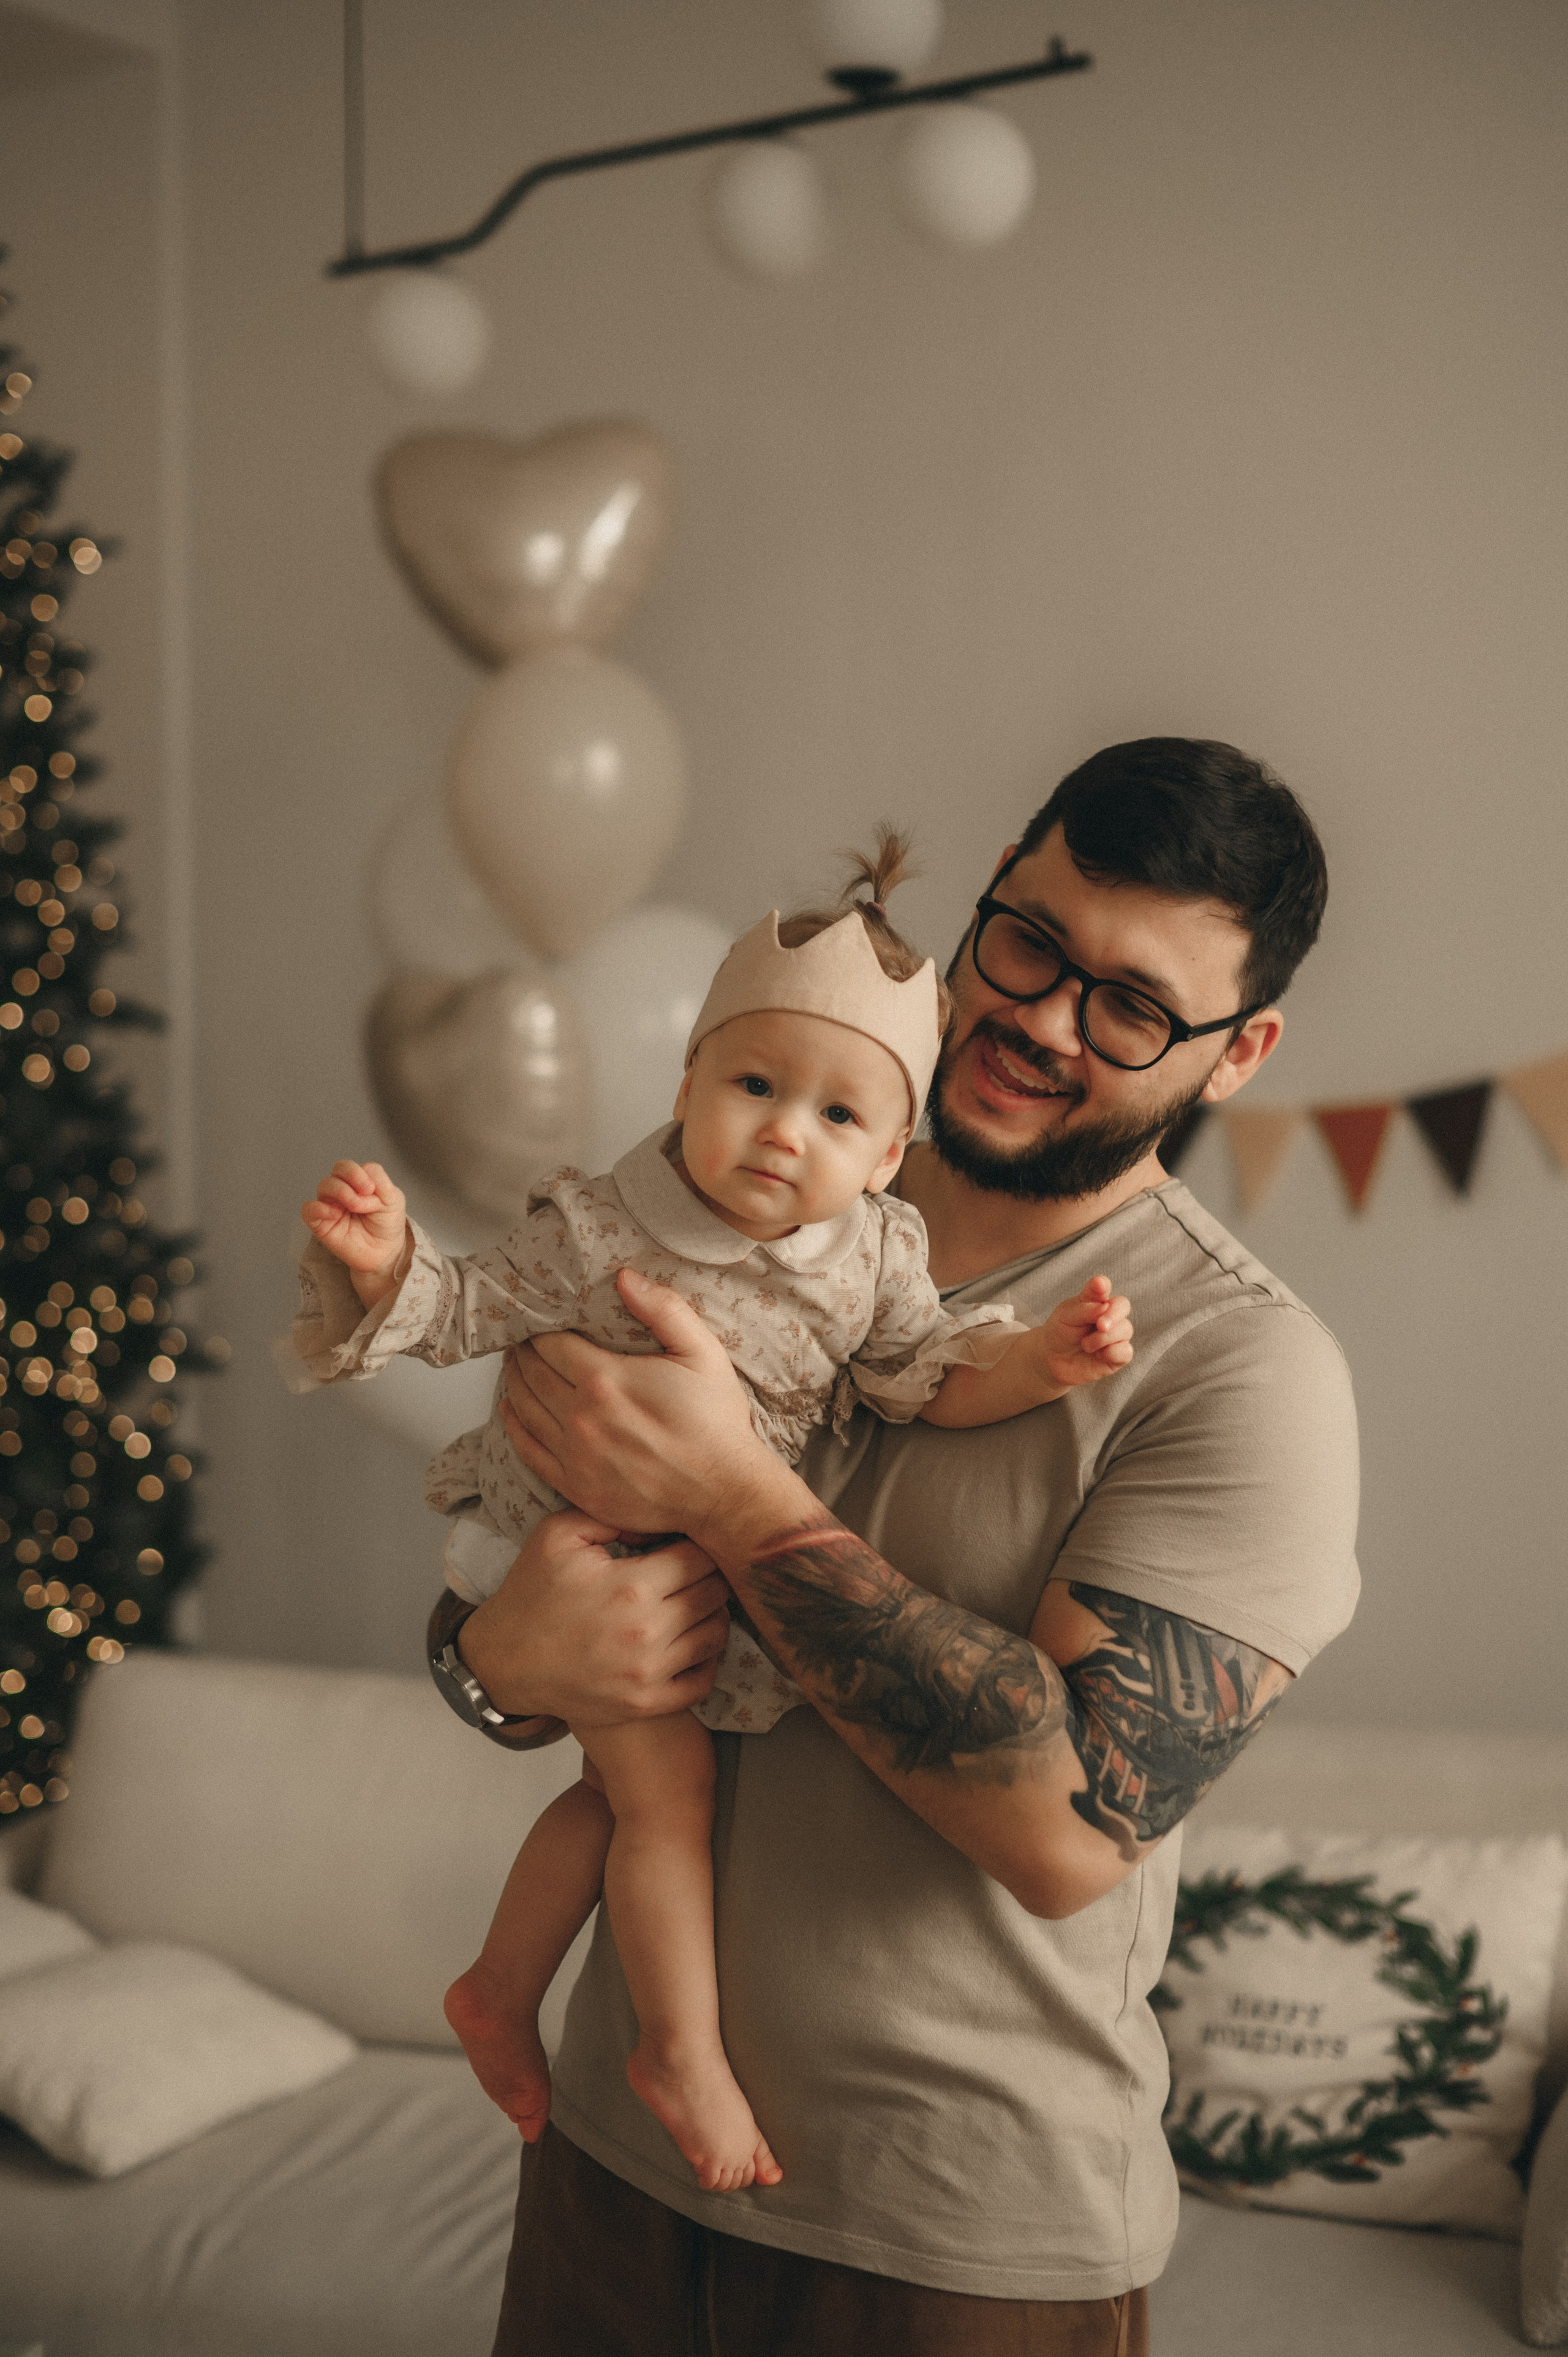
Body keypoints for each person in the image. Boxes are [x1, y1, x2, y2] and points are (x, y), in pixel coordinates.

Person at [435, 737, 1360, 2357]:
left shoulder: (1238, 1369)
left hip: (955, 2241)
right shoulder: (745, 1191)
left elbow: (1073, 1831)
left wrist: (737, 1491)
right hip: (608, 2161)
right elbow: (535, 1589)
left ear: (1239, 1052)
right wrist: (490, 1660)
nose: (1043, 1020)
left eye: (1132, 1005)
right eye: (1028, 943)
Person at [285, 836, 1137, 2196]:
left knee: (618, 1797)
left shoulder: (871, 1259)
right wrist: (389, 1263)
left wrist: (1036, 1362)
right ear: (687, 1077)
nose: (785, 1130)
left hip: (698, 1570)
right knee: (665, 1800)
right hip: (581, 1548)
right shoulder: (600, 1224)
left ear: (888, 1154)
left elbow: (923, 1375)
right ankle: (675, 2052)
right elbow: (465, 1309)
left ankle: (499, 1990)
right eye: (753, 1084)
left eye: (840, 1117)